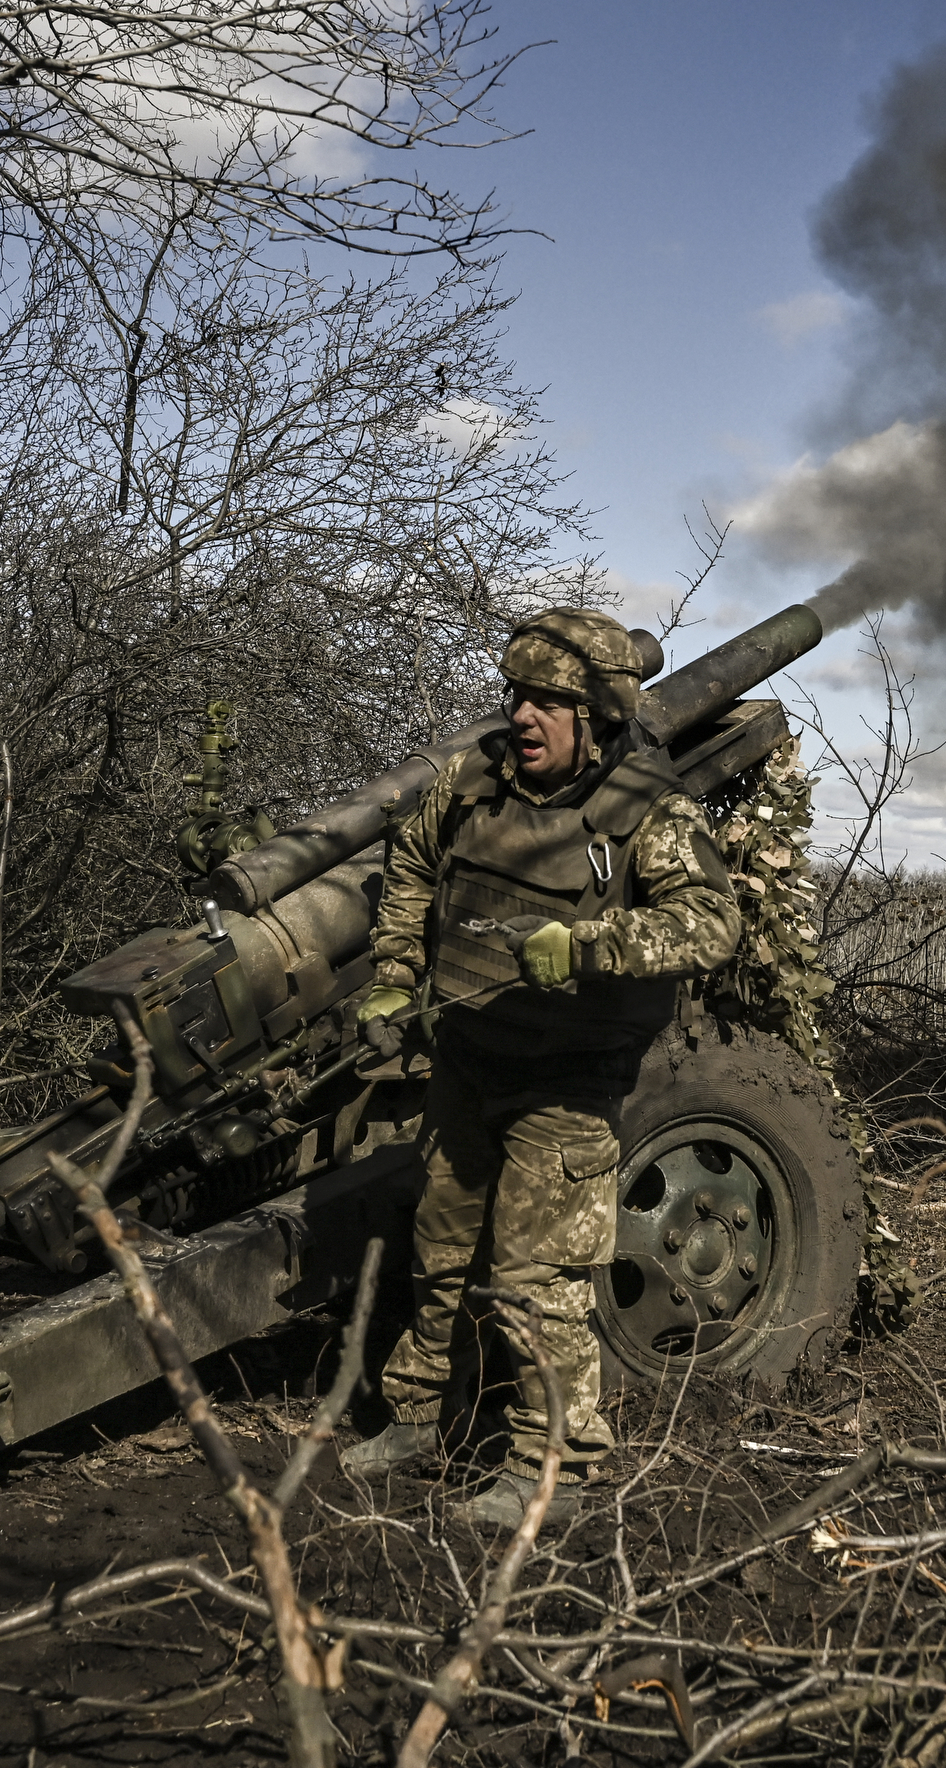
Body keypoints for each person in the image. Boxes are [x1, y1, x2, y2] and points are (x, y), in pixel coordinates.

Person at [341, 609, 740, 1532]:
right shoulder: (474, 779)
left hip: (567, 1082)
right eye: (517, 695)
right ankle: (421, 1419)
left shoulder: (649, 812)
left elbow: (713, 926)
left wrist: (595, 946)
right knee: (440, 1258)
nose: (523, 715)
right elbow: (409, 864)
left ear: (596, 716)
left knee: (538, 1282)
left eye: (548, 702)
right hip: (469, 1059)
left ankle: (556, 1467)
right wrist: (396, 978)